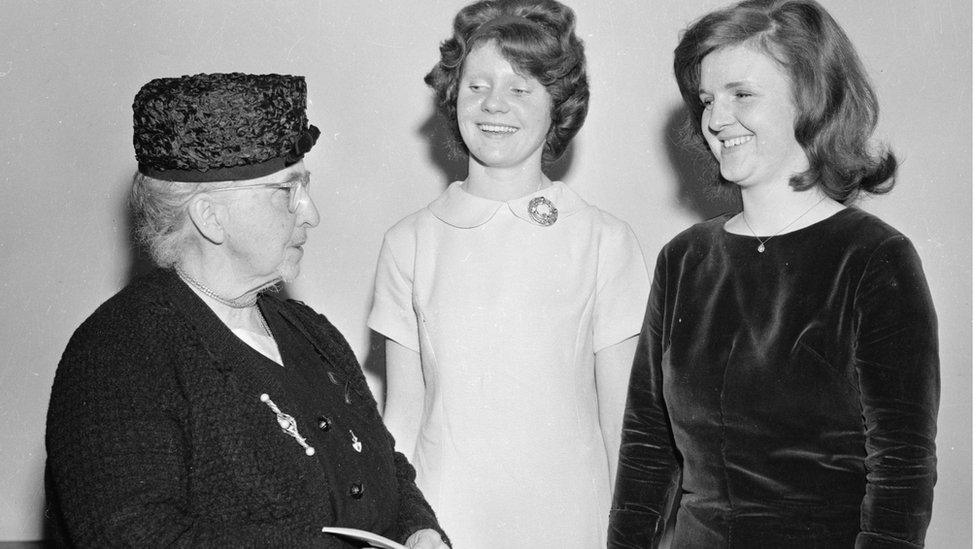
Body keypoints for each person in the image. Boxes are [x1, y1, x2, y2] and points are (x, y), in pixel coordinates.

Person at [46, 73, 450, 548]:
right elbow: (138, 538)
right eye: (286, 191)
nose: (311, 213)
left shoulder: (311, 333)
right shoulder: (119, 353)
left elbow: (388, 467)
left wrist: (419, 530)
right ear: (209, 217)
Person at [609, 1, 939, 547]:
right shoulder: (684, 259)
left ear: (810, 98)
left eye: (742, 94)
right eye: (708, 99)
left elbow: (902, 470)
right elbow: (647, 448)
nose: (715, 118)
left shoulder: (875, 259)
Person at [367, 1, 650, 547]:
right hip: (445, 521)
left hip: (571, 522)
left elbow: (622, 422)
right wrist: (400, 528)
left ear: (557, 105)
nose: (494, 104)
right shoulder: (410, 242)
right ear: (454, 99)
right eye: (476, 86)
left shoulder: (604, 240)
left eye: (520, 88)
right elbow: (402, 415)